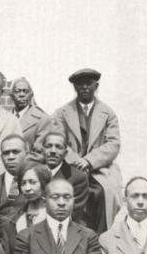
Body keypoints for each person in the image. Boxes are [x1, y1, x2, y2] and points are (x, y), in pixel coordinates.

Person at [49, 68, 122, 234]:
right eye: (80, 84)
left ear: (96, 86)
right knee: (62, 193)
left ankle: (102, 236)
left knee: (108, 191)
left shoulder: (108, 113)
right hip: (70, 165)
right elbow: (58, 141)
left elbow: (113, 143)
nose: (84, 87)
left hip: (101, 168)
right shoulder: (62, 113)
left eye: (88, 83)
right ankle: (68, 234)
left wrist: (88, 161)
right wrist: (76, 161)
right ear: (74, 87)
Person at [0, 162, 51, 254]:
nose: (27, 188)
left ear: (44, 183)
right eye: (23, 183)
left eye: (32, 182)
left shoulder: (55, 217)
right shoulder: (13, 221)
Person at [39, 129, 89, 225]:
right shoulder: (32, 173)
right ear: (42, 151)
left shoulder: (78, 178)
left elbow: (74, 214)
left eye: (58, 147)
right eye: (48, 146)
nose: (53, 151)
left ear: (65, 153)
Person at [10, 78, 50, 151]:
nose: (22, 94)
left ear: (31, 95)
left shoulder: (42, 119)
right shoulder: (2, 117)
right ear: (11, 96)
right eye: (17, 91)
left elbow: (39, 152)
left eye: (26, 91)